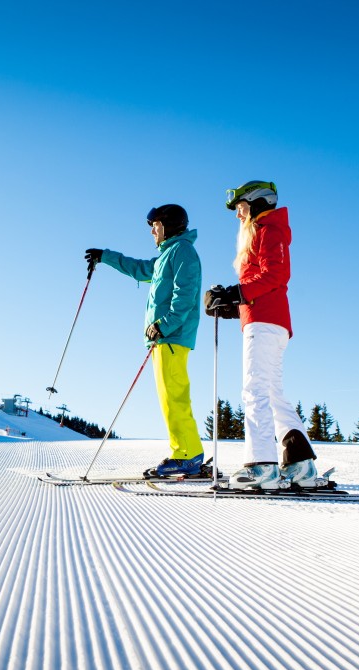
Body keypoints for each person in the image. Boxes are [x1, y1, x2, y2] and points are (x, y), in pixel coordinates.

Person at [205, 180, 327, 491]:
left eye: (241, 208)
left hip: (265, 323)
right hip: (267, 320)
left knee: (254, 391)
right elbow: (262, 288)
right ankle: (301, 466)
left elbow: (275, 275)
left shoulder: (268, 230)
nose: (238, 215)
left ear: (257, 203)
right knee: (272, 393)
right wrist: (232, 304)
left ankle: (263, 467)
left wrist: (237, 292)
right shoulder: (265, 232)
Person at [85, 204, 205, 477]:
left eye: (156, 224)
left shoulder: (182, 251)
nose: (152, 230)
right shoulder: (167, 255)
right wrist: (106, 256)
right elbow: (139, 269)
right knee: (170, 398)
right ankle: (189, 451)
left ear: (170, 225)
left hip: (171, 337)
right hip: (164, 338)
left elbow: (185, 295)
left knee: (173, 397)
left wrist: (164, 325)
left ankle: (186, 455)